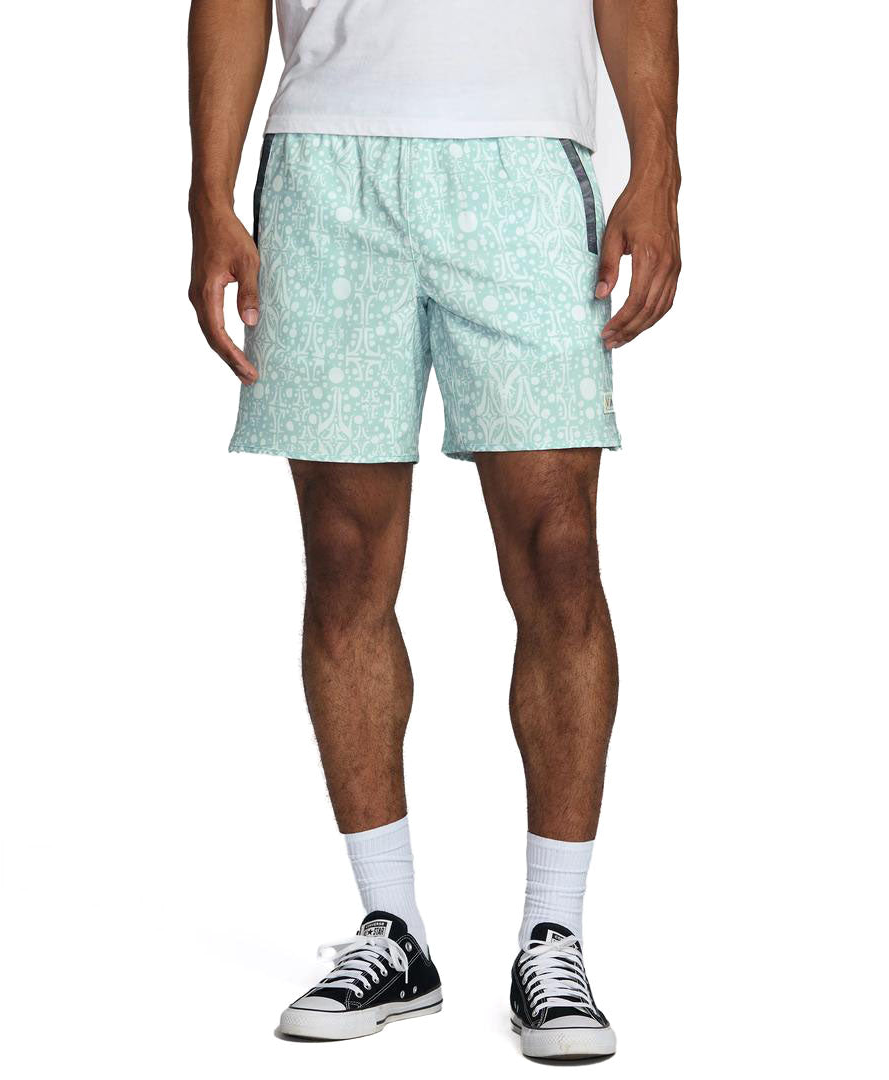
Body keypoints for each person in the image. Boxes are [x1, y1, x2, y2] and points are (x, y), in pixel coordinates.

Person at [188, 0, 680, 1060]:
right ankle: (392, 929)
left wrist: (659, 168)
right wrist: (208, 195)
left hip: (523, 158)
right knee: (345, 560)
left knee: (559, 554)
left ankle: (554, 933)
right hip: (327, 166)